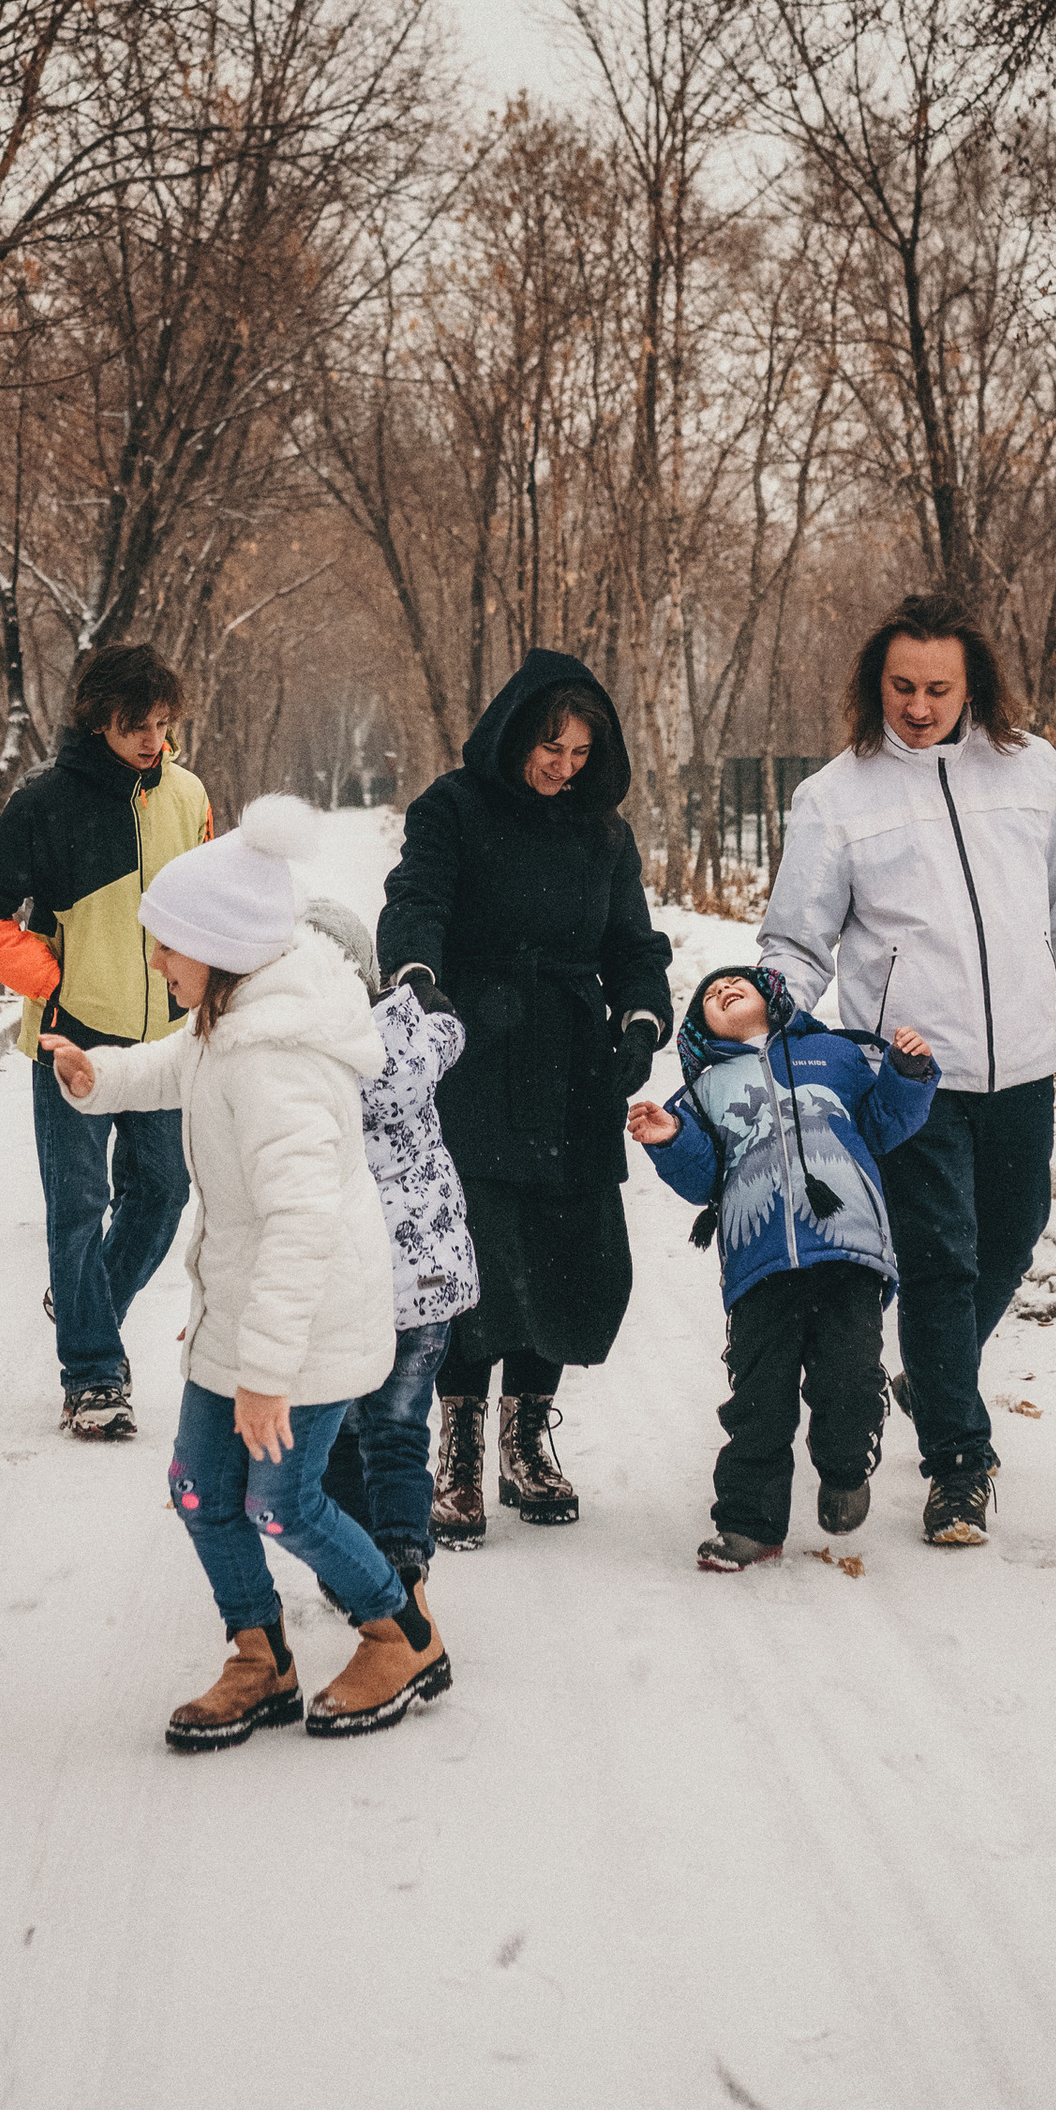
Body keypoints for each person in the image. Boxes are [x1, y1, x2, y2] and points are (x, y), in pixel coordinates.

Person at [45, 798, 453, 1748]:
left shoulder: (282, 1062)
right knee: (199, 1488)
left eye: (166, 948)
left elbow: (303, 1225)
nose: (156, 965)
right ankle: (260, 1657)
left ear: (222, 948)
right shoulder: (233, 1017)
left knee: (284, 1500)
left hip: (300, 1331)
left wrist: (267, 1373)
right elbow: (179, 1069)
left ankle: (400, 1634)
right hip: (245, 1315)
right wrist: (97, 1077)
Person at [758, 589, 1056, 1547]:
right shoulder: (835, 798)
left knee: (1015, 1233)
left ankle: (932, 1376)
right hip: (909, 1074)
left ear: (973, 684)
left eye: (938, 688)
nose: (919, 707)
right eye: (901, 687)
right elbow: (797, 942)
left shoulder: (1031, 769)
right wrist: (763, 1015)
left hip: (1020, 1064)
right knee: (941, 1263)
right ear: (873, 683)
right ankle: (959, 1466)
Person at [376, 649, 673, 1544]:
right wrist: (422, 981)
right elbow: (414, 898)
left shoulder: (603, 833)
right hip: (476, 1052)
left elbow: (634, 944)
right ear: (516, 731)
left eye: (582, 753)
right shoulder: (453, 808)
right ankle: (459, 1447)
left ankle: (527, 1439)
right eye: (552, 747)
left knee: (565, 1251)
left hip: (573, 1062)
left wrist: (641, 1024)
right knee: (476, 1251)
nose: (563, 767)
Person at [0, 642, 212, 1441]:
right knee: (78, 1207)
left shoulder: (189, 794)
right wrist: (52, 978)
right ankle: (94, 1374)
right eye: (137, 725)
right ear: (98, 719)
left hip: (166, 1042)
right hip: (74, 1044)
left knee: (163, 1192)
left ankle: (85, 1296)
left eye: (163, 724)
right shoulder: (45, 804)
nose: (151, 740)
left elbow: (207, 907)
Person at [628, 964, 938, 1570]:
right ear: (700, 1028)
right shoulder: (703, 1089)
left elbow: (883, 1123)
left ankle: (846, 1469)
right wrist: (669, 1138)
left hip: (847, 1249)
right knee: (758, 1399)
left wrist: (909, 1074)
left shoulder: (836, 1053)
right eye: (710, 996)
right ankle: (749, 1523)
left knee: (847, 1378)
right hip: (759, 1261)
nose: (721, 990)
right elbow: (701, 1180)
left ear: (771, 997)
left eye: (734, 983)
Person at [299, 894, 479, 1590]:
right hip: (423, 1283)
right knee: (400, 1432)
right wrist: (428, 996)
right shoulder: (408, 1035)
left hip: (347, 1285)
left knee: (342, 1434)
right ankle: (405, 1551)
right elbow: (452, 1029)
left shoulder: (299, 1056)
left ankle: (352, 1566)